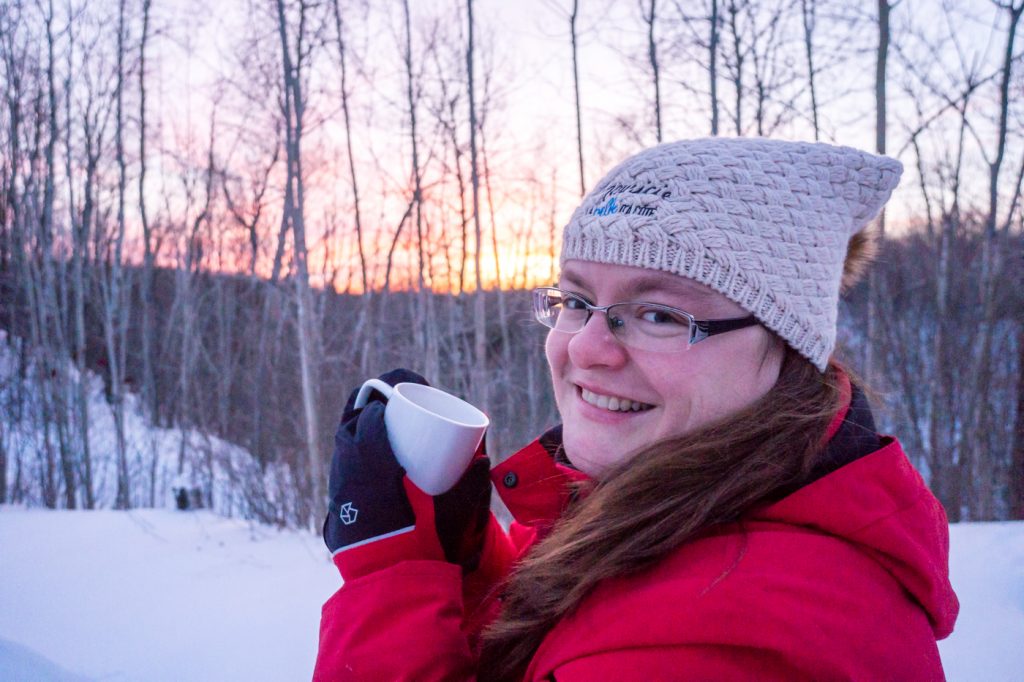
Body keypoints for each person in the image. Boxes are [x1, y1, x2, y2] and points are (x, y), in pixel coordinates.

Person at [314, 138, 959, 681]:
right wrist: (467, 557)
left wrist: (389, 575)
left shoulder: (724, 636)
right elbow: (586, 630)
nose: (587, 348)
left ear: (788, 345)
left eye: (658, 314)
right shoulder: (682, 513)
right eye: (575, 300)